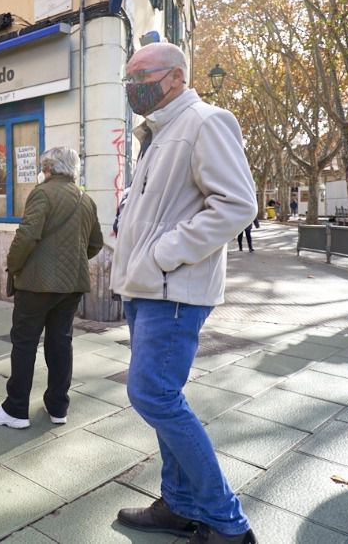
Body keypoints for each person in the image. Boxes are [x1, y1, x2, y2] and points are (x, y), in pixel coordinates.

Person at [110, 43, 257, 544]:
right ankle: (180, 503)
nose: (132, 86)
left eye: (140, 76)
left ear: (174, 77)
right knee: (162, 396)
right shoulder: (160, 133)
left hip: (172, 290)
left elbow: (237, 205)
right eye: (127, 78)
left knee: (152, 394)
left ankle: (226, 522)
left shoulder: (205, 122)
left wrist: (163, 253)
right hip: (149, 289)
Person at [0, 146, 103, 429]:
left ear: (49, 168)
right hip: (71, 285)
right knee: (61, 343)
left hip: (36, 284)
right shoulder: (86, 199)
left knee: (24, 344)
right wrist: (72, 261)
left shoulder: (42, 193)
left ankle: (16, 410)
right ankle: (58, 407)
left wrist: (14, 265)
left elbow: (27, 236)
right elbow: (95, 243)